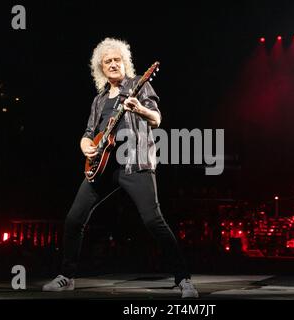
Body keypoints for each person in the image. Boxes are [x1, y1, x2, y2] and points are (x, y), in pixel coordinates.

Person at [42, 38, 198, 298]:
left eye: (117, 60)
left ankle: (184, 280)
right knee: (73, 219)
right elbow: (88, 132)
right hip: (102, 167)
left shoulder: (139, 85)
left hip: (134, 163)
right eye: (108, 61)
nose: (113, 64)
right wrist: (84, 146)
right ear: (101, 68)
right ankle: (67, 277)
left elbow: (157, 118)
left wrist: (138, 109)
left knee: (153, 220)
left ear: (125, 62)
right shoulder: (99, 99)